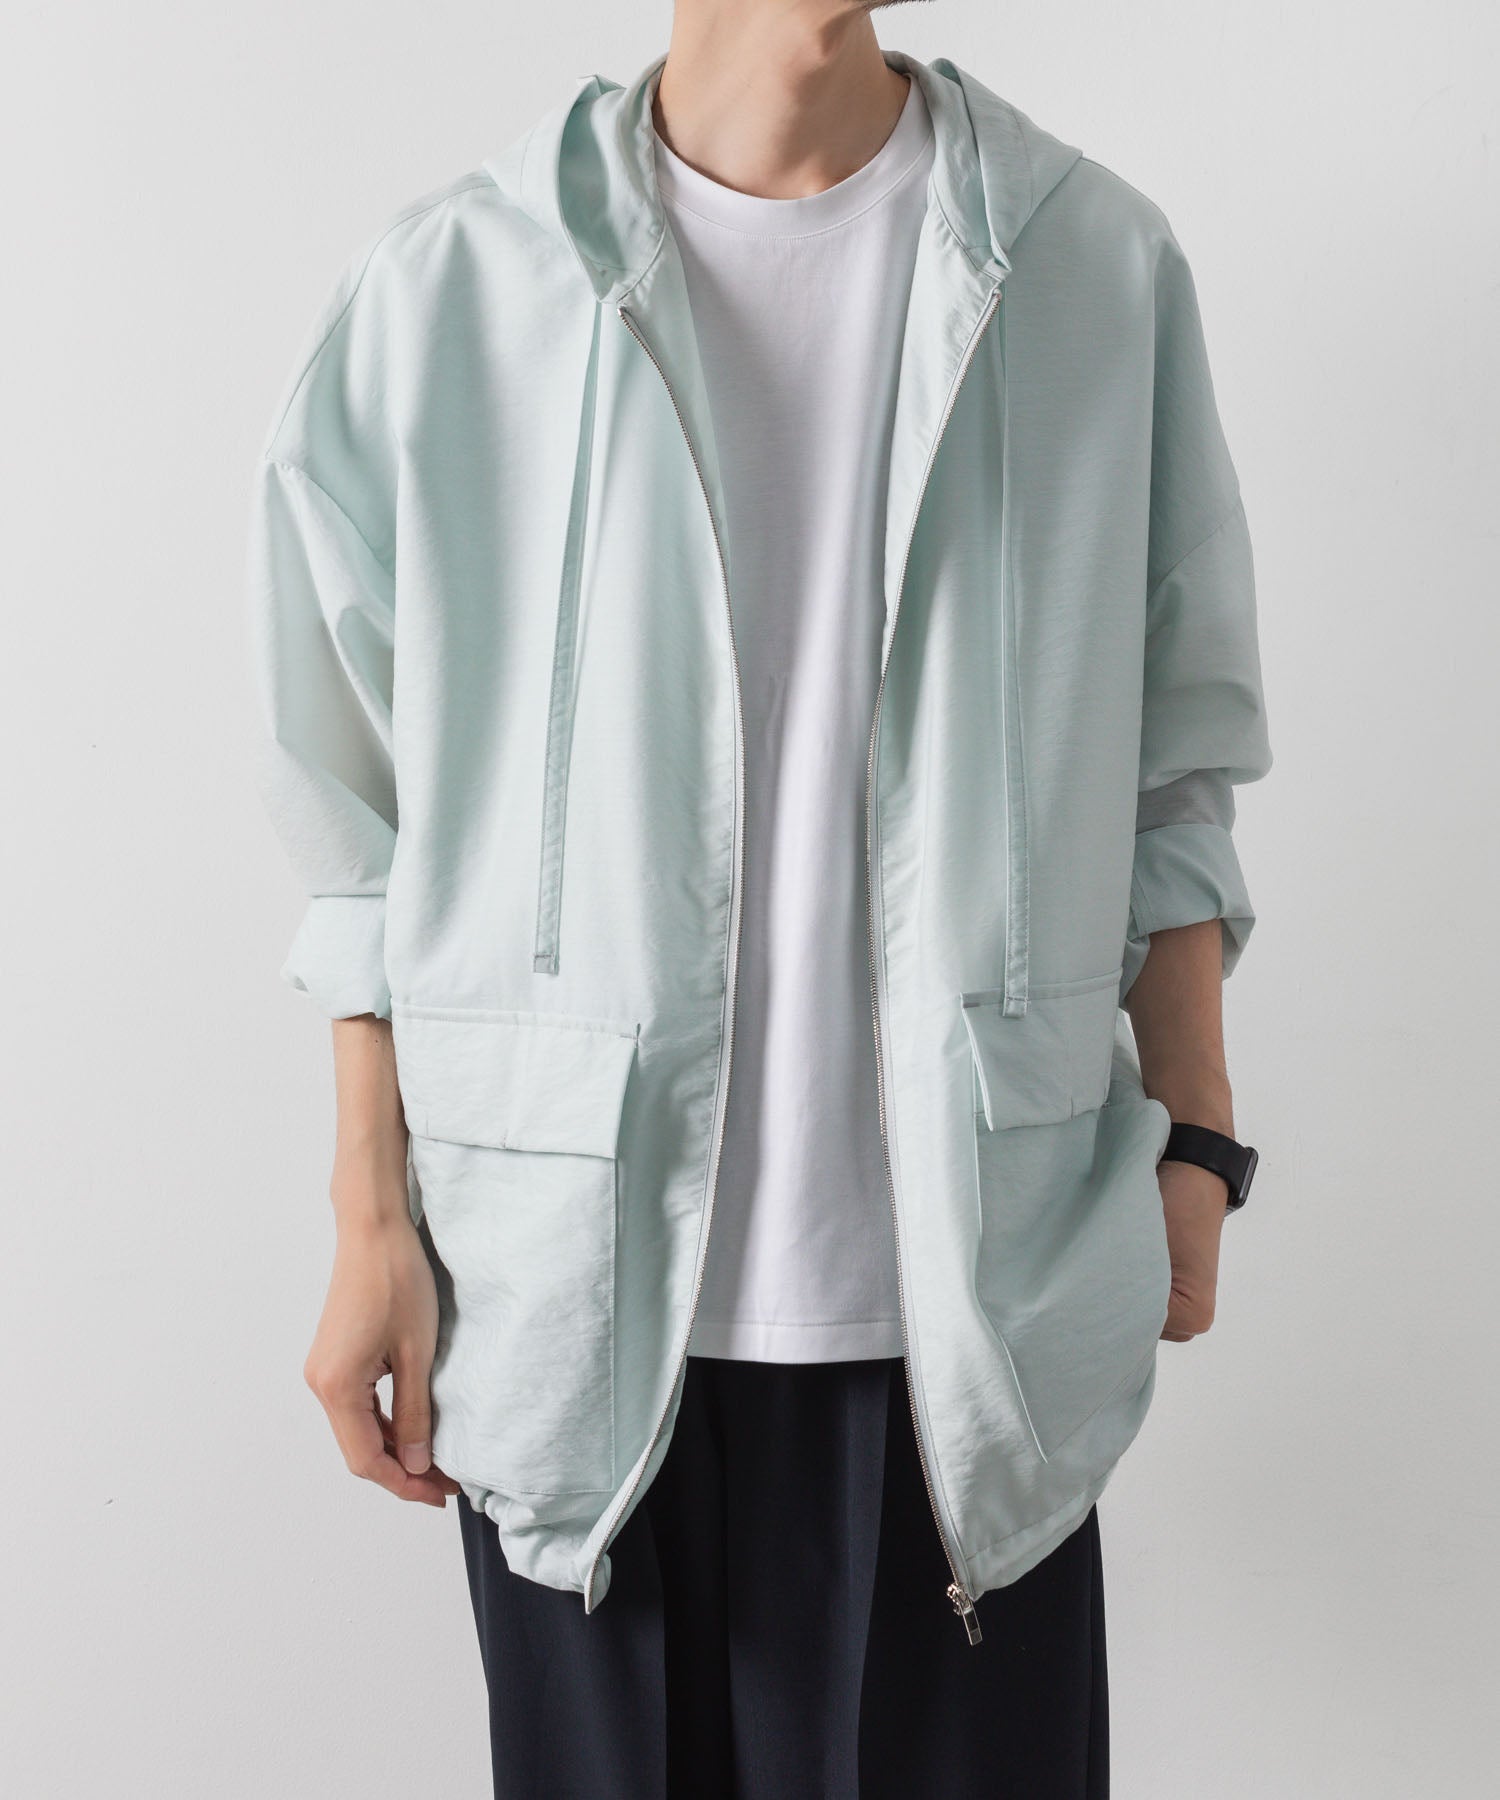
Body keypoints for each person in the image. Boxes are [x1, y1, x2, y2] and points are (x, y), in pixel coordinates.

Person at [247, 4, 1271, 1795]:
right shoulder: (451, 289)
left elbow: (1172, 754)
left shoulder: (1090, 265)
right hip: (569, 1318)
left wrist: (1197, 1136)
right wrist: (367, 1215)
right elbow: (359, 826)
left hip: (983, 1324)